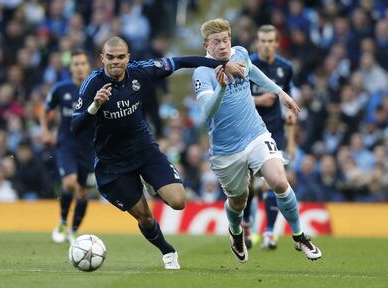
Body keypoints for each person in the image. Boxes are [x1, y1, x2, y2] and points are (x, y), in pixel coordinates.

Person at [71, 36, 244, 270]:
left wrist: (221, 65)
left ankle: (152, 183)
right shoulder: (92, 85)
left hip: (144, 150)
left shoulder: (141, 71)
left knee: (179, 201)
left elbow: (182, 61)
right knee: (145, 216)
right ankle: (167, 251)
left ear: (128, 58)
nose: (115, 62)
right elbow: (76, 128)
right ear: (102, 59)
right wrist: (95, 106)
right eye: (110, 57)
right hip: (113, 164)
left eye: (120, 57)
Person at [192, 18, 322, 263]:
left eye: (226, 39)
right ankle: (236, 232)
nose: (222, 45)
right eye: (216, 41)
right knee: (239, 201)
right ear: (205, 44)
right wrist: (220, 87)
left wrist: (279, 91)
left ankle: (299, 236)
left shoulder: (240, 53)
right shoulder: (201, 72)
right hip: (226, 149)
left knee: (279, 181)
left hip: (256, 134)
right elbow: (207, 112)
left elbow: (253, 72)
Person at [242, 24, 297, 250]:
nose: (265, 45)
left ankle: (269, 233)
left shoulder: (286, 68)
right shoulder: (246, 65)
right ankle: (246, 224)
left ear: (276, 43)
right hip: (248, 130)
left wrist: (291, 140)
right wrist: (258, 100)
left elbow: (290, 107)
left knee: (273, 183)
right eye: (262, 41)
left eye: (270, 41)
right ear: (257, 42)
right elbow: (235, 98)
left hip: (275, 132)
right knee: (249, 185)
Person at [40, 50, 96, 244]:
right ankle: (63, 221)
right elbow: (45, 110)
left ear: (88, 66)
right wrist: (46, 131)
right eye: (76, 64)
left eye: (83, 63)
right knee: (70, 183)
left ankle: (73, 230)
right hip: (66, 144)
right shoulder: (60, 89)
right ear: (70, 67)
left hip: (89, 147)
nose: (79, 67)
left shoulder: (96, 88)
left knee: (83, 192)